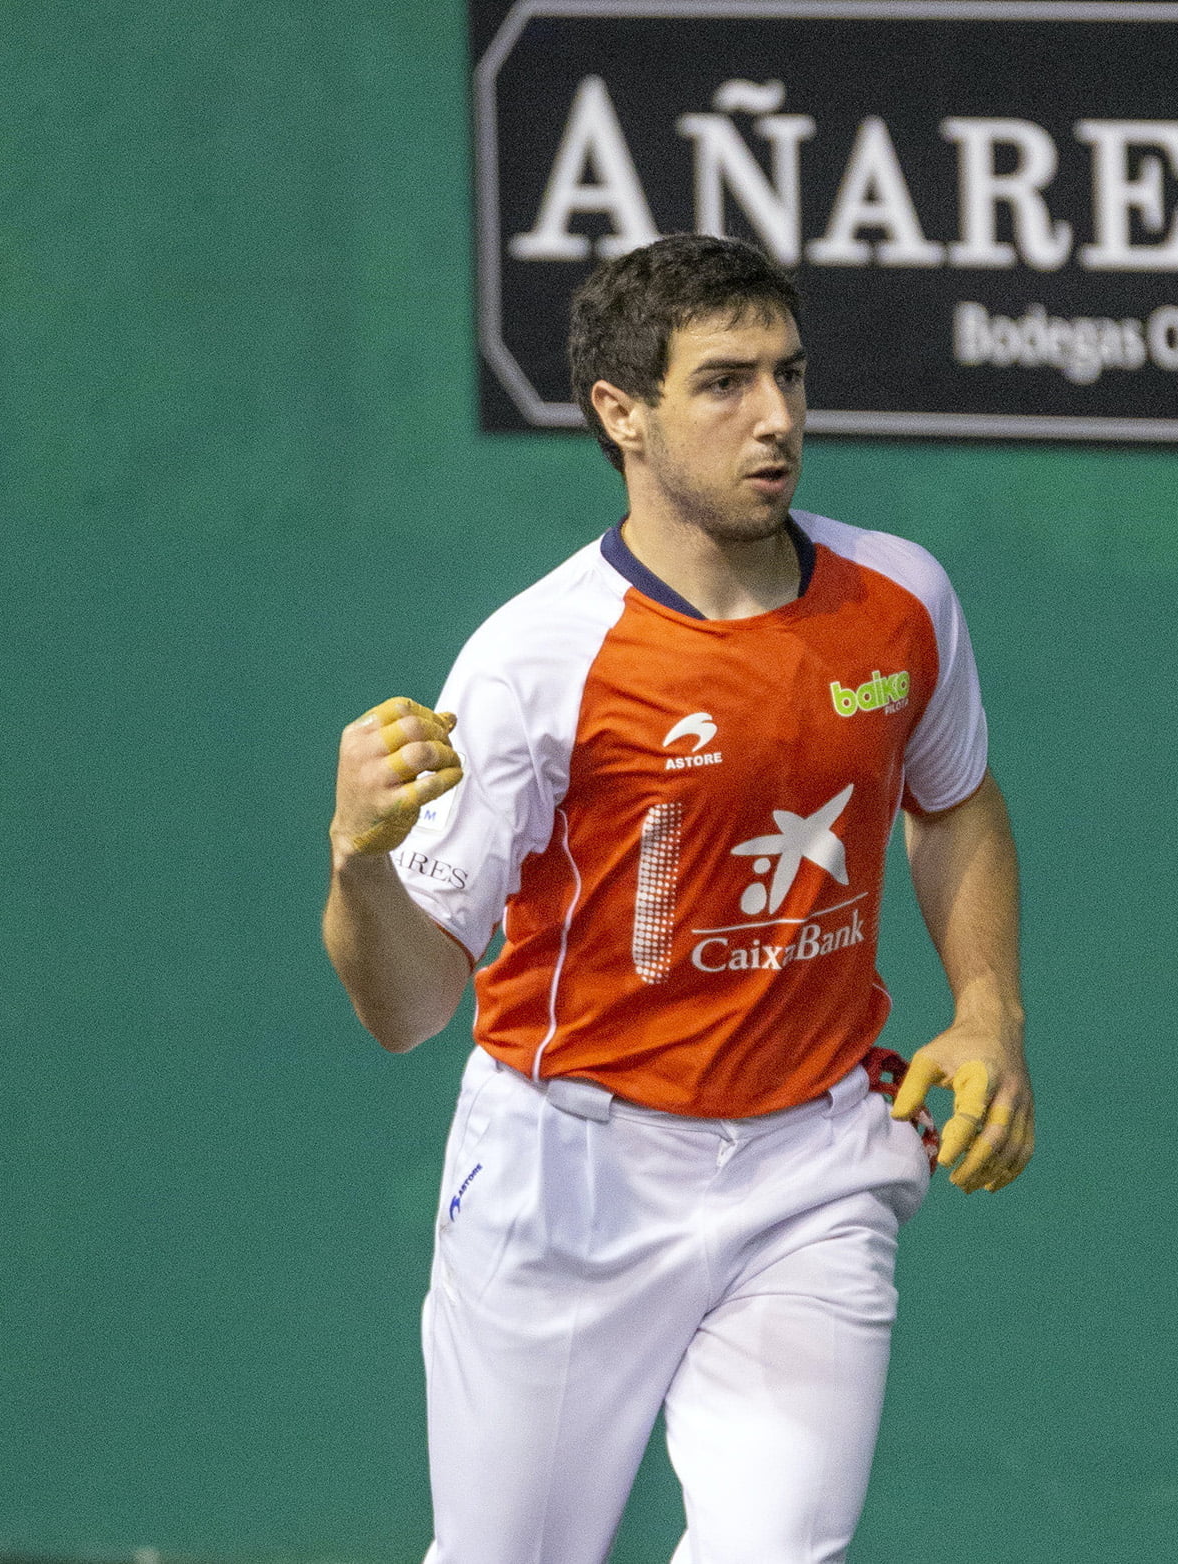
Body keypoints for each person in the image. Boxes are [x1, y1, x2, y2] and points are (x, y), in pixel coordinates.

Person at [323, 233, 1033, 1564]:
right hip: (567, 1181)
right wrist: (358, 860)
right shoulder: (534, 663)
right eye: (723, 383)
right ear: (621, 414)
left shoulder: (901, 603)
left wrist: (988, 1007)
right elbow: (406, 1008)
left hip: (813, 1164)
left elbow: (954, 805)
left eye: (788, 375)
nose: (776, 419)